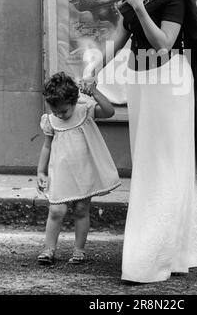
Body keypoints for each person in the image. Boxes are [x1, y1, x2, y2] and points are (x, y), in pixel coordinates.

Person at [83, 0, 197, 283]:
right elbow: (121, 35)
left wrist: (141, 8)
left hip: (168, 84)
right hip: (141, 82)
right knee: (150, 162)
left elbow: (164, 43)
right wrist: (95, 68)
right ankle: (173, 252)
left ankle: (150, 259)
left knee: (164, 165)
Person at [37, 72, 120, 265]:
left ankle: (79, 250)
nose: (59, 115)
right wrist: (41, 171)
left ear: (74, 101)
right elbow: (47, 146)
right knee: (56, 210)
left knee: (82, 209)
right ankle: (49, 249)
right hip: (60, 172)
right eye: (55, 110)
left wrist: (94, 92)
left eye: (64, 111)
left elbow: (109, 112)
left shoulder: (85, 110)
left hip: (84, 171)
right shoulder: (51, 120)